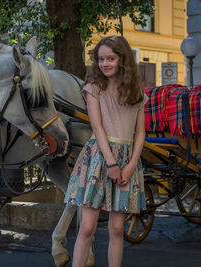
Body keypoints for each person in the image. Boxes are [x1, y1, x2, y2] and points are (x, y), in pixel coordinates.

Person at [64, 35, 147, 267]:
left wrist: (130, 166)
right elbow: (97, 127)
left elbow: (139, 134)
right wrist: (111, 163)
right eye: (101, 59)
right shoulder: (94, 89)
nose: (105, 63)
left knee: (117, 228)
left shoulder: (137, 91)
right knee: (87, 227)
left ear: (123, 59)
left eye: (111, 58)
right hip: (99, 158)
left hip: (127, 159)